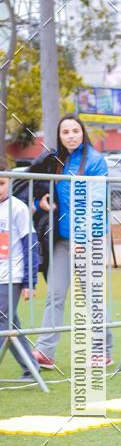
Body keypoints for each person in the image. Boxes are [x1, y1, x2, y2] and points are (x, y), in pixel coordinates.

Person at [32, 114, 112, 370]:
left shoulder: (95, 161)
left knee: (92, 296)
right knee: (54, 295)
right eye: (65, 132)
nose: (71, 136)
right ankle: (45, 352)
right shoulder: (54, 160)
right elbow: (37, 188)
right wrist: (40, 202)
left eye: (75, 131)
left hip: (89, 240)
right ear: (59, 136)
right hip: (62, 241)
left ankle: (103, 351)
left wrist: (82, 238)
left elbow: (96, 204)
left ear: (82, 132)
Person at [0, 157, 40, 380]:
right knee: (10, 323)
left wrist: (29, 281)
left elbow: (30, 245)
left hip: (11, 277)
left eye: (1, 183)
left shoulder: (18, 208)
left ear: (10, 182)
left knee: (2, 320)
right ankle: (31, 368)